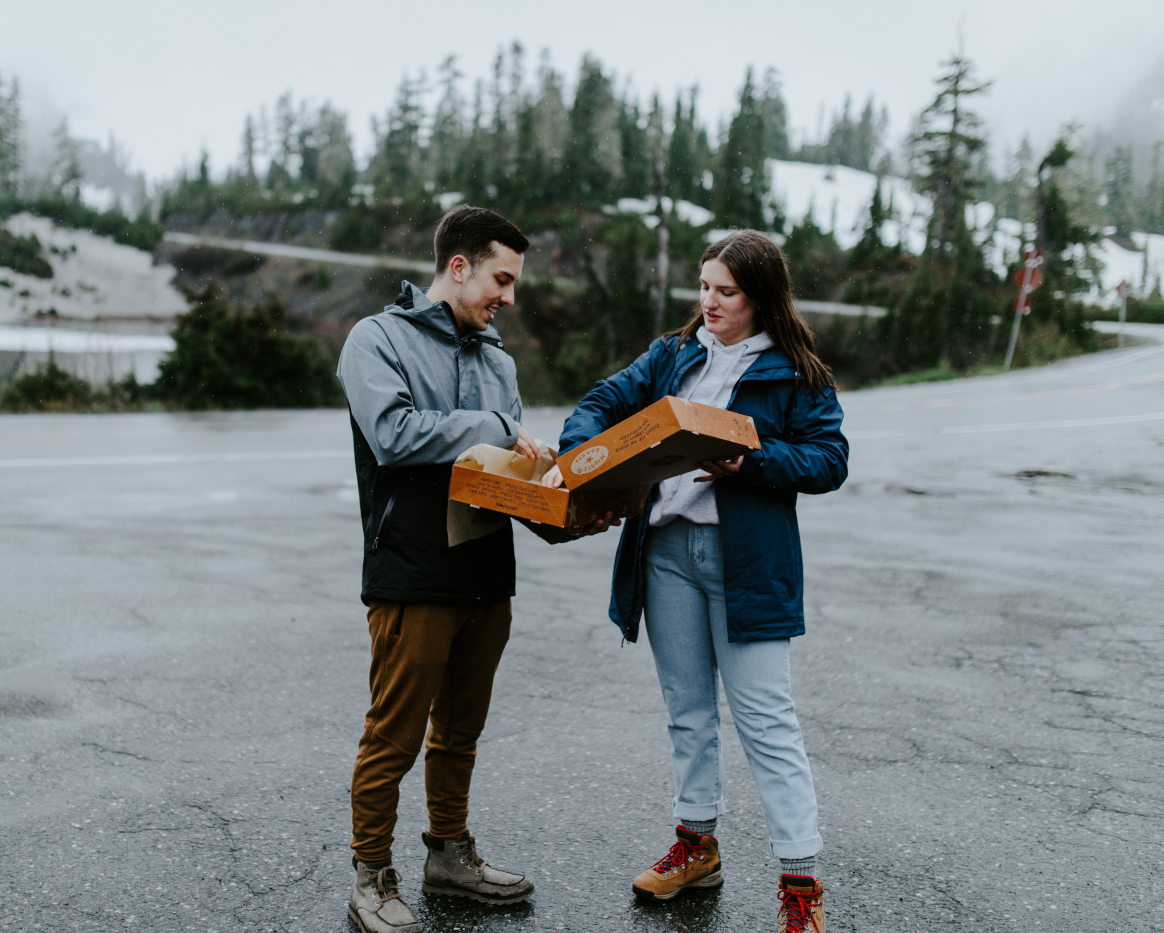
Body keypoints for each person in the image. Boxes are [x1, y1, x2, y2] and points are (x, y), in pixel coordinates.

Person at [545, 230, 848, 933]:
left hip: (748, 563)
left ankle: (800, 882)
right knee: (688, 710)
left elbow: (829, 459)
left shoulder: (796, 373)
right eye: (704, 285)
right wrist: (580, 454)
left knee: (767, 721)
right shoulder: (673, 354)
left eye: (726, 291)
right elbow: (602, 401)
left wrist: (755, 460)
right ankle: (697, 843)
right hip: (667, 552)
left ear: (760, 297)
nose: (708, 301)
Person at [336, 205, 540, 933]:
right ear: (458, 266)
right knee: (393, 732)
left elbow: (508, 472)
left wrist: (566, 503)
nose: (509, 297)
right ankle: (371, 873)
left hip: (489, 572)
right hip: (412, 570)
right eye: (501, 278)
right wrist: (492, 428)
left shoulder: (499, 361)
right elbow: (392, 435)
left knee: (460, 729)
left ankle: (449, 853)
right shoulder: (376, 339)